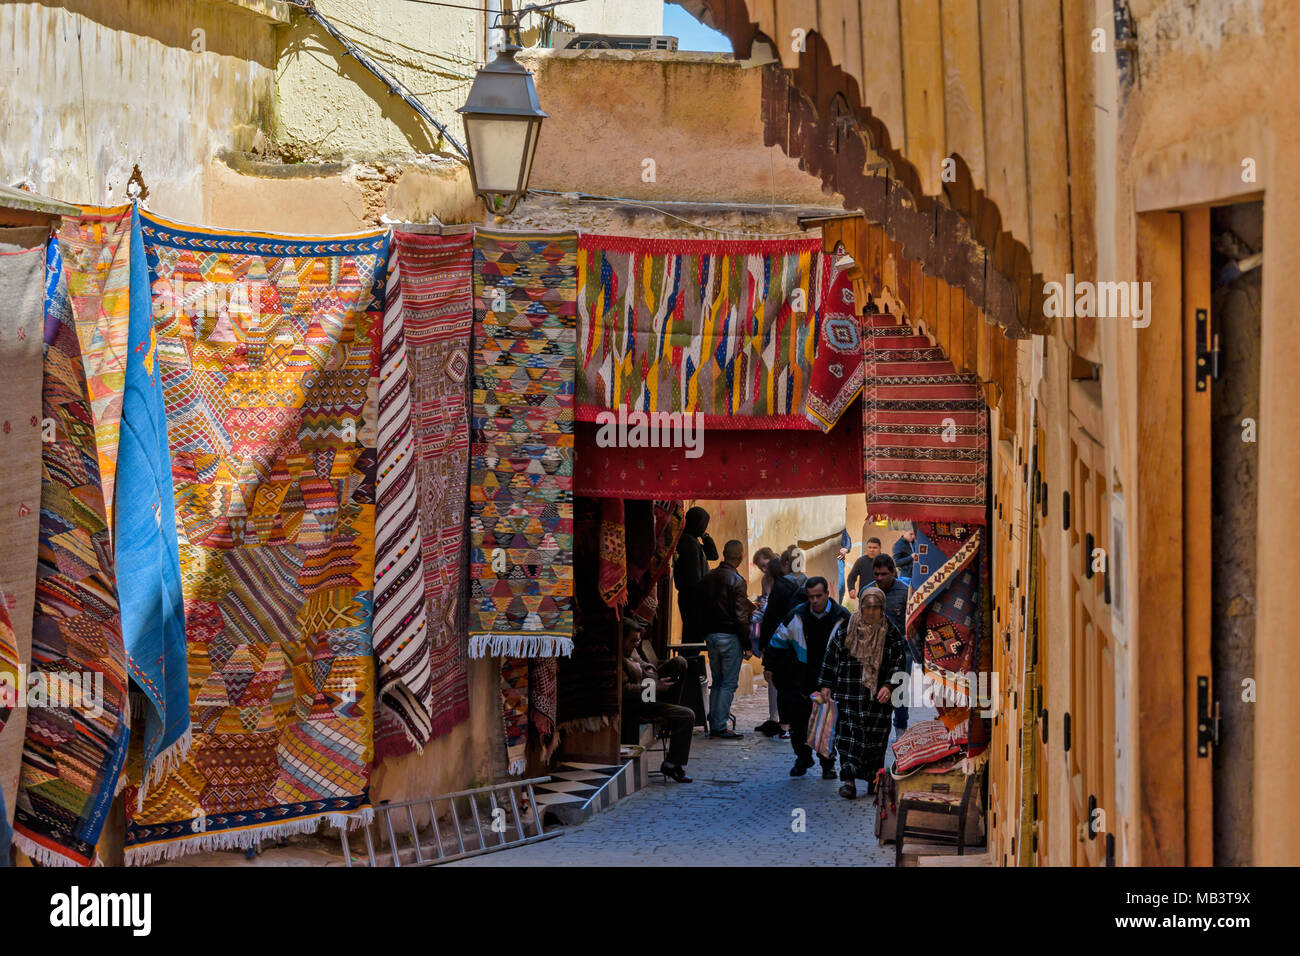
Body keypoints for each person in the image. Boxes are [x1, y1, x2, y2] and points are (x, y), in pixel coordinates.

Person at [816, 586, 906, 798]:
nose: (871, 612)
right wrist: (826, 685)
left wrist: (889, 685)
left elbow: (898, 662)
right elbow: (831, 657)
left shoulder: (890, 632)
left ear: (882, 608)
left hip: (878, 698)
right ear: (861, 607)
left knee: (875, 740)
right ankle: (849, 782)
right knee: (847, 738)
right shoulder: (846, 629)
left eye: (876, 608)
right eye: (867, 607)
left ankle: (873, 779)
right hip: (849, 694)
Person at [764, 577, 849, 780]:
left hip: (831, 678)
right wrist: (770, 666)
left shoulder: (842, 617)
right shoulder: (796, 616)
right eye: (811, 596)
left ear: (827, 594)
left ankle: (827, 764)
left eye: (819, 596)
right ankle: (802, 758)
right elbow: (778, 640)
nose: (815, 600)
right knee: (799, 722)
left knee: (826, 723)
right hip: (801, 677)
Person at [621, 622, 695, 782]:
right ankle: (671, 765)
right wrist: (654, 687)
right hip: (637, 702)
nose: (635, 644)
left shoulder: (631, 650)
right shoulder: (618, 659)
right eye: (632, 641)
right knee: (687, 715)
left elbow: (640, 661)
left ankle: (671, 715)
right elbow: (625, 691)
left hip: (648, 690)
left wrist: (649, 669)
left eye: (637, 641)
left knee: (679, 662)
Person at [699, 539, 752, 739]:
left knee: (718, 681)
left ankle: (715, 722)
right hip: (730, 637)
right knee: (728, 683)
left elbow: (701, 610)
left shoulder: (708, 578)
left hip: (711, 636)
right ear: (740, 556)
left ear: (723, 553)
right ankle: (719, 726)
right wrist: (747, 644)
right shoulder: (737, 581)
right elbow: (740, 616)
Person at [759, 546, 808, 740]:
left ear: (785, 563)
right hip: (802, 642)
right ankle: (798, 723)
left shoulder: (780, 585)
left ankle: (786, 724)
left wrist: (765, 645)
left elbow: (771, 617)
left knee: (783, 685)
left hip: (783, 641)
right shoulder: (808, 582)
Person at [872, 554, 912, 732]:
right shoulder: (868, 592)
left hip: (902, 652)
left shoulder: (905, 592)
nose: (879, 578)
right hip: (874, 653)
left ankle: (900, 734)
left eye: (883, 574)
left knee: (899, 694)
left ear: (893, 572)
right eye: (876, 574)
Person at [673, 506, 718, 643]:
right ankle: (688, 664)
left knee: (693, 636)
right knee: (694, 637)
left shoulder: (692, 540)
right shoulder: (689, 543)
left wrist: (705, 537)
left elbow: (713, 555)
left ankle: (688, 663)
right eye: (703, 524)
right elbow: (694, 578)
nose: (704, 527)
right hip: (693, 598)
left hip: (692, 597)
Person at [751, 547, 783, 737]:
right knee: (771, 677)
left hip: (783, 630)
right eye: (760, 568)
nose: (763, 570)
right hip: (770, 630)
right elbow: (766, 600)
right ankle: (774, 717)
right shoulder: (766, 579)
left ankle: (785, 718)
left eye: (764, 565)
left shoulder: (785, 575)